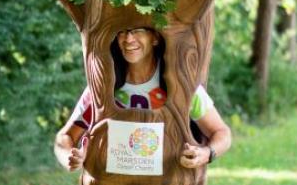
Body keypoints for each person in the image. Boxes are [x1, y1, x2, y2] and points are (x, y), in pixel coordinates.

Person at [54, 27, 231, 172]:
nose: (128, 39)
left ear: (155, 38)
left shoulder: (180, 84)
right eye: (122, 31)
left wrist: (206, 154)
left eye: (137, 30)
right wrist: (69, 157)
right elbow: (65, 137)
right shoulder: (104, 86)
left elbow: (221, 132)